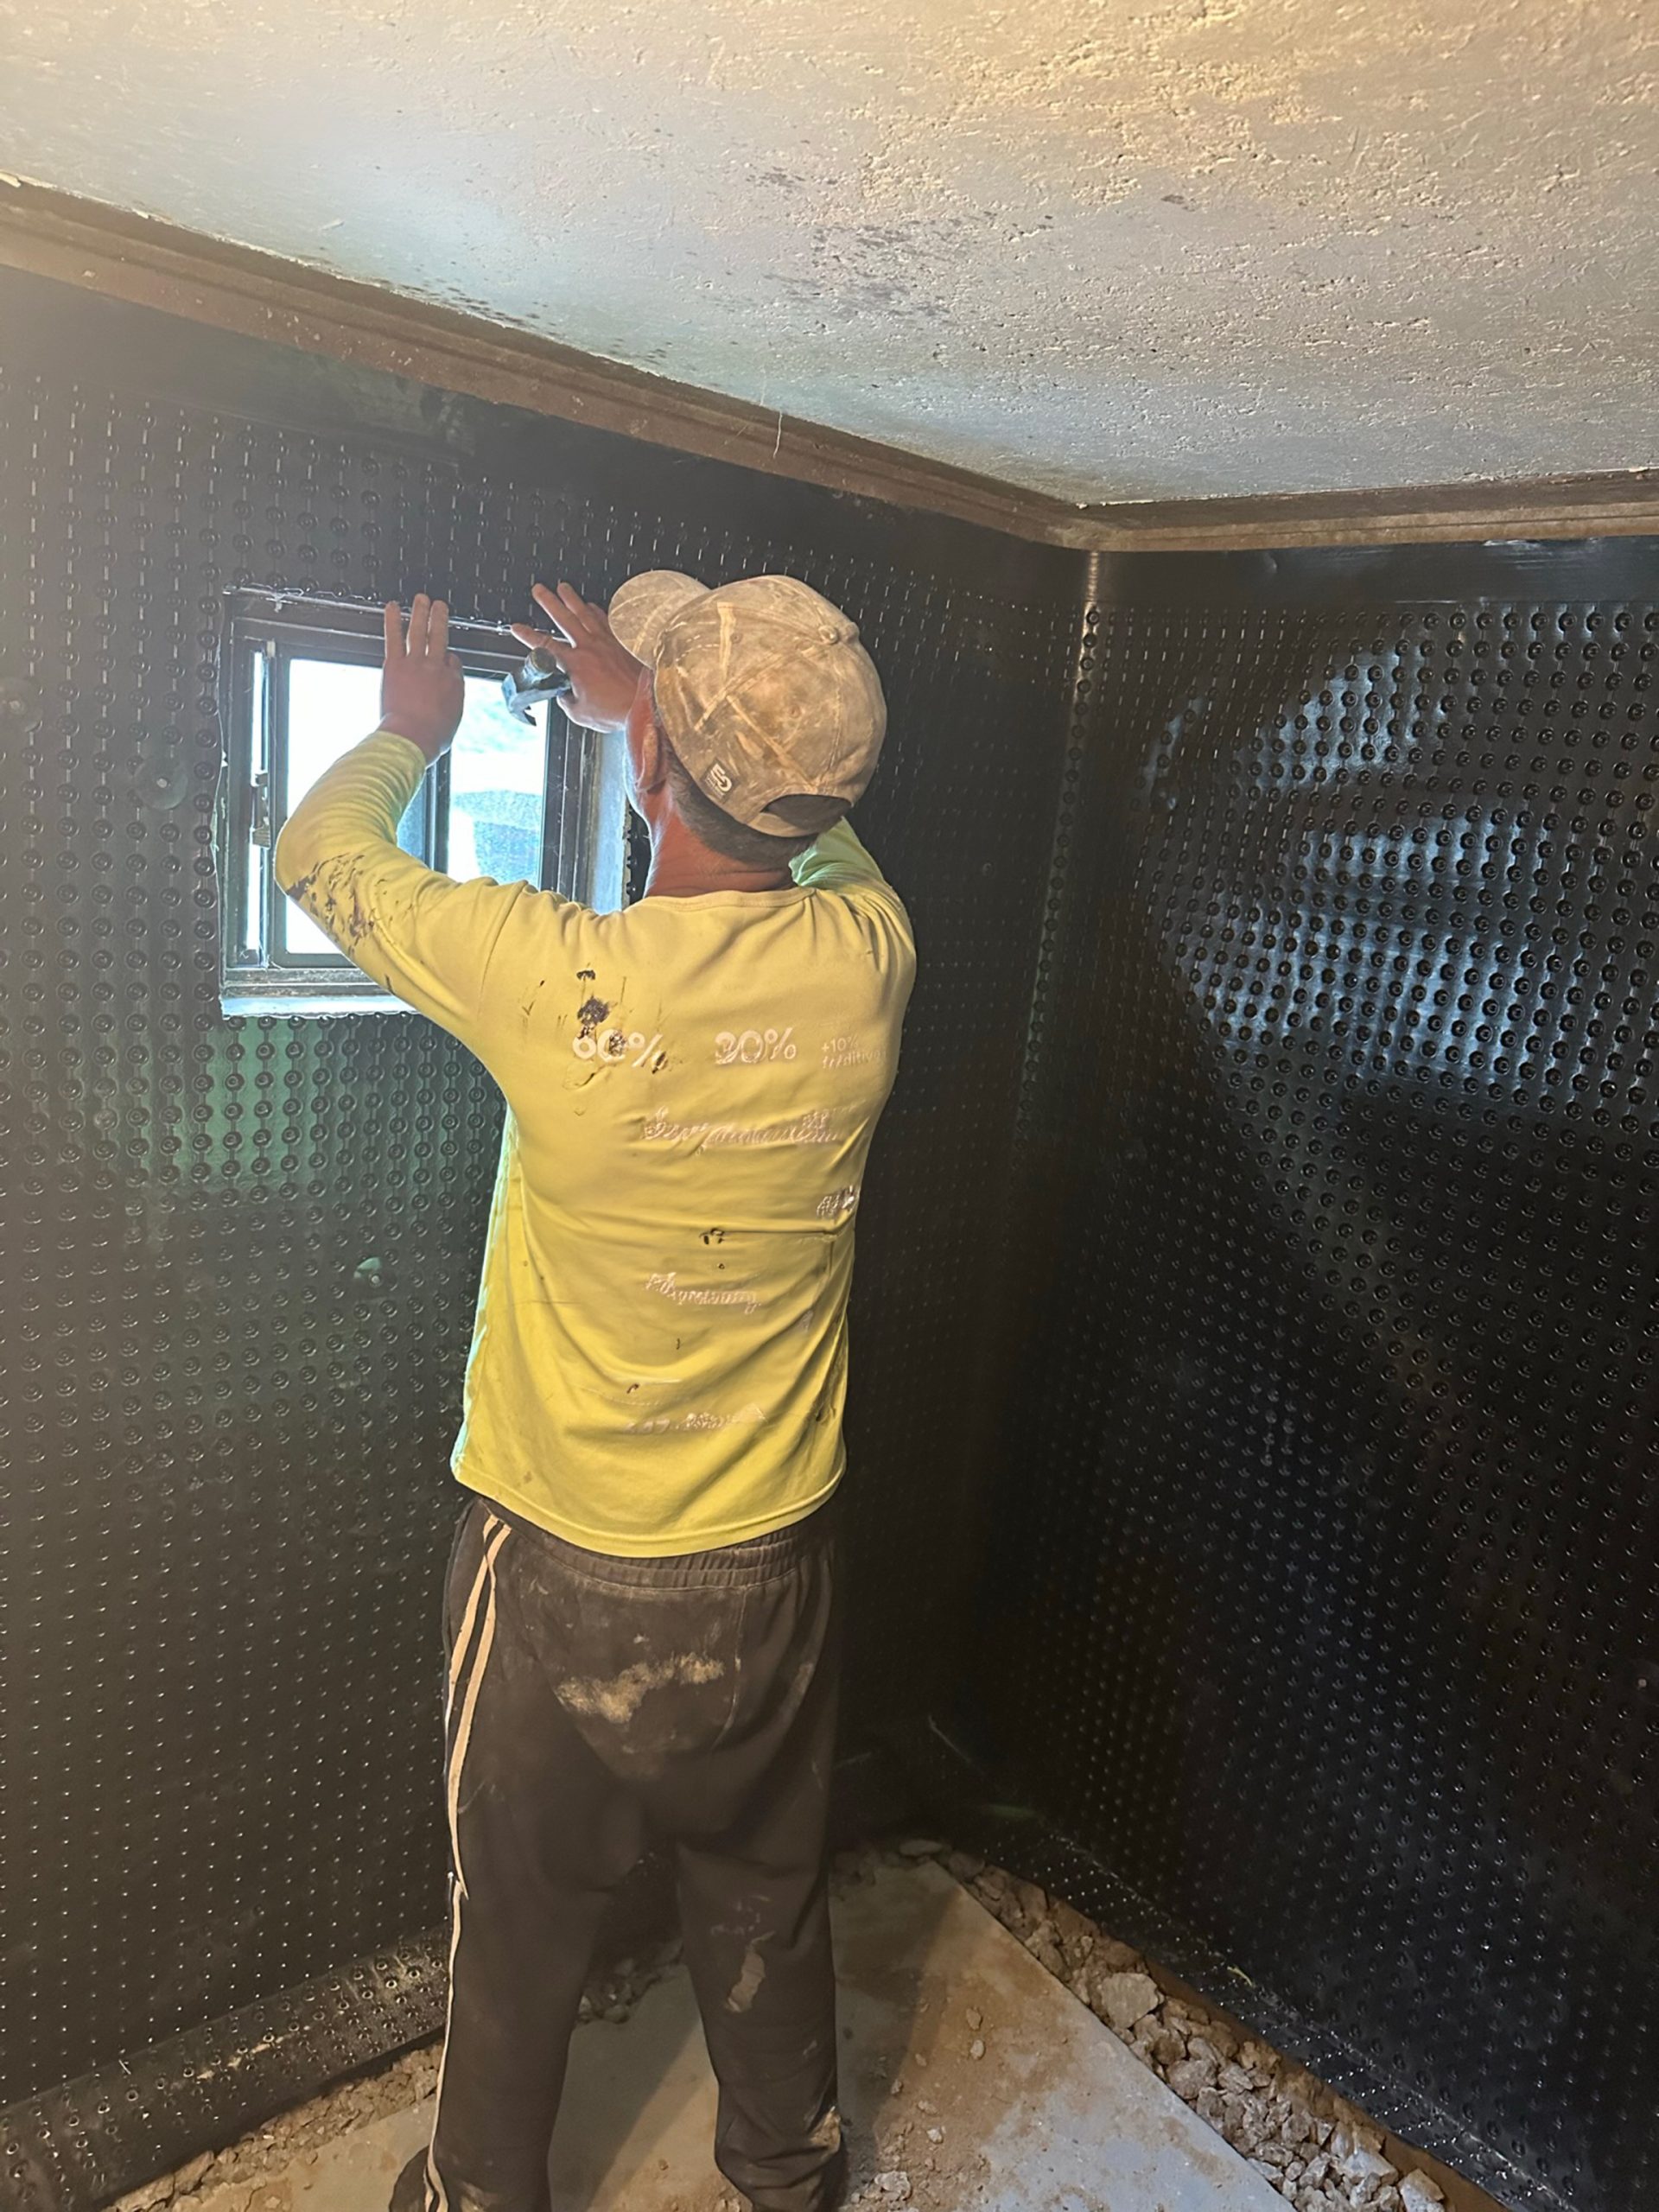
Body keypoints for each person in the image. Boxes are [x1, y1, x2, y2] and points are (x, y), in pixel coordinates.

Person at [273, 570, 915, 2212]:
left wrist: (413, 730)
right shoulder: (870, 960)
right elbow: (806, 824)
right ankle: (790, 2174)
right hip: (771, 1563)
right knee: (764, 1891)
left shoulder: (552, 978)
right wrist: (661, 721)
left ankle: (480, 2195)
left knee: (519, 1916)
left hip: (558, 1565)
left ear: (654, 774)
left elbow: (320, 854)